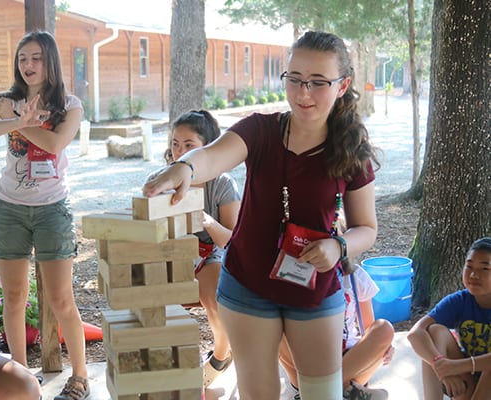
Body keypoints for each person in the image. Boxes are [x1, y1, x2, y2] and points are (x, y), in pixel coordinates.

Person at [143, 30, 379, 400]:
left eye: (318, 82)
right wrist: (185, 169)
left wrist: (338, 246)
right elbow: (211, 156)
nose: (303, 93)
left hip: (314, 290)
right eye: (295, 79)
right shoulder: (261, 130)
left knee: (322, 393)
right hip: (247, 285)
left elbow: (366, 228)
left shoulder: (352, 149)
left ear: (342, 84)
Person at [0, 31, 89, 400]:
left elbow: (55, 143)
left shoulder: (70, 104)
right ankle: (19, 378)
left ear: (50, 61)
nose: (28, 66)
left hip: (52, 210)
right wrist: (16, 118)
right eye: (22, 59)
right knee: (13, 297)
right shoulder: (7, 101)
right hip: (8, 209)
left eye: (36, 58)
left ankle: (79, 377)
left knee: (62, 298)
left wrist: (22, 124)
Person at [150, 110, 241, 386]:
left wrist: (206, 220)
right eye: (176, 144)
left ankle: (221, 355)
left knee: (212, 291)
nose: (180, 152)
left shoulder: (222, 184)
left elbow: (233, 241)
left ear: (208, 148)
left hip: (210, 253)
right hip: (170, 252)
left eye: (189, 146)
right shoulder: (162, 179)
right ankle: (163, 366)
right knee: (146, 290)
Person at [279, 257, 395, 400]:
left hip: (350, 360)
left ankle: (317, 392)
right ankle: (345, 389)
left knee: (384, 328)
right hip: (306, 362)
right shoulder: (294, 271)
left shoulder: (356, 275)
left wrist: (383, 347)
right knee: (276, 326)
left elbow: (368, 328)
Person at [407, 237, 491, 400]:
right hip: (469, 378)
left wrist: (454, 367)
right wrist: (441, 366)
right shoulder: (460, 300)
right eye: (469, 266)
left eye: (484, 268)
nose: (473, 274)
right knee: (433, 332)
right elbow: (415, 333)